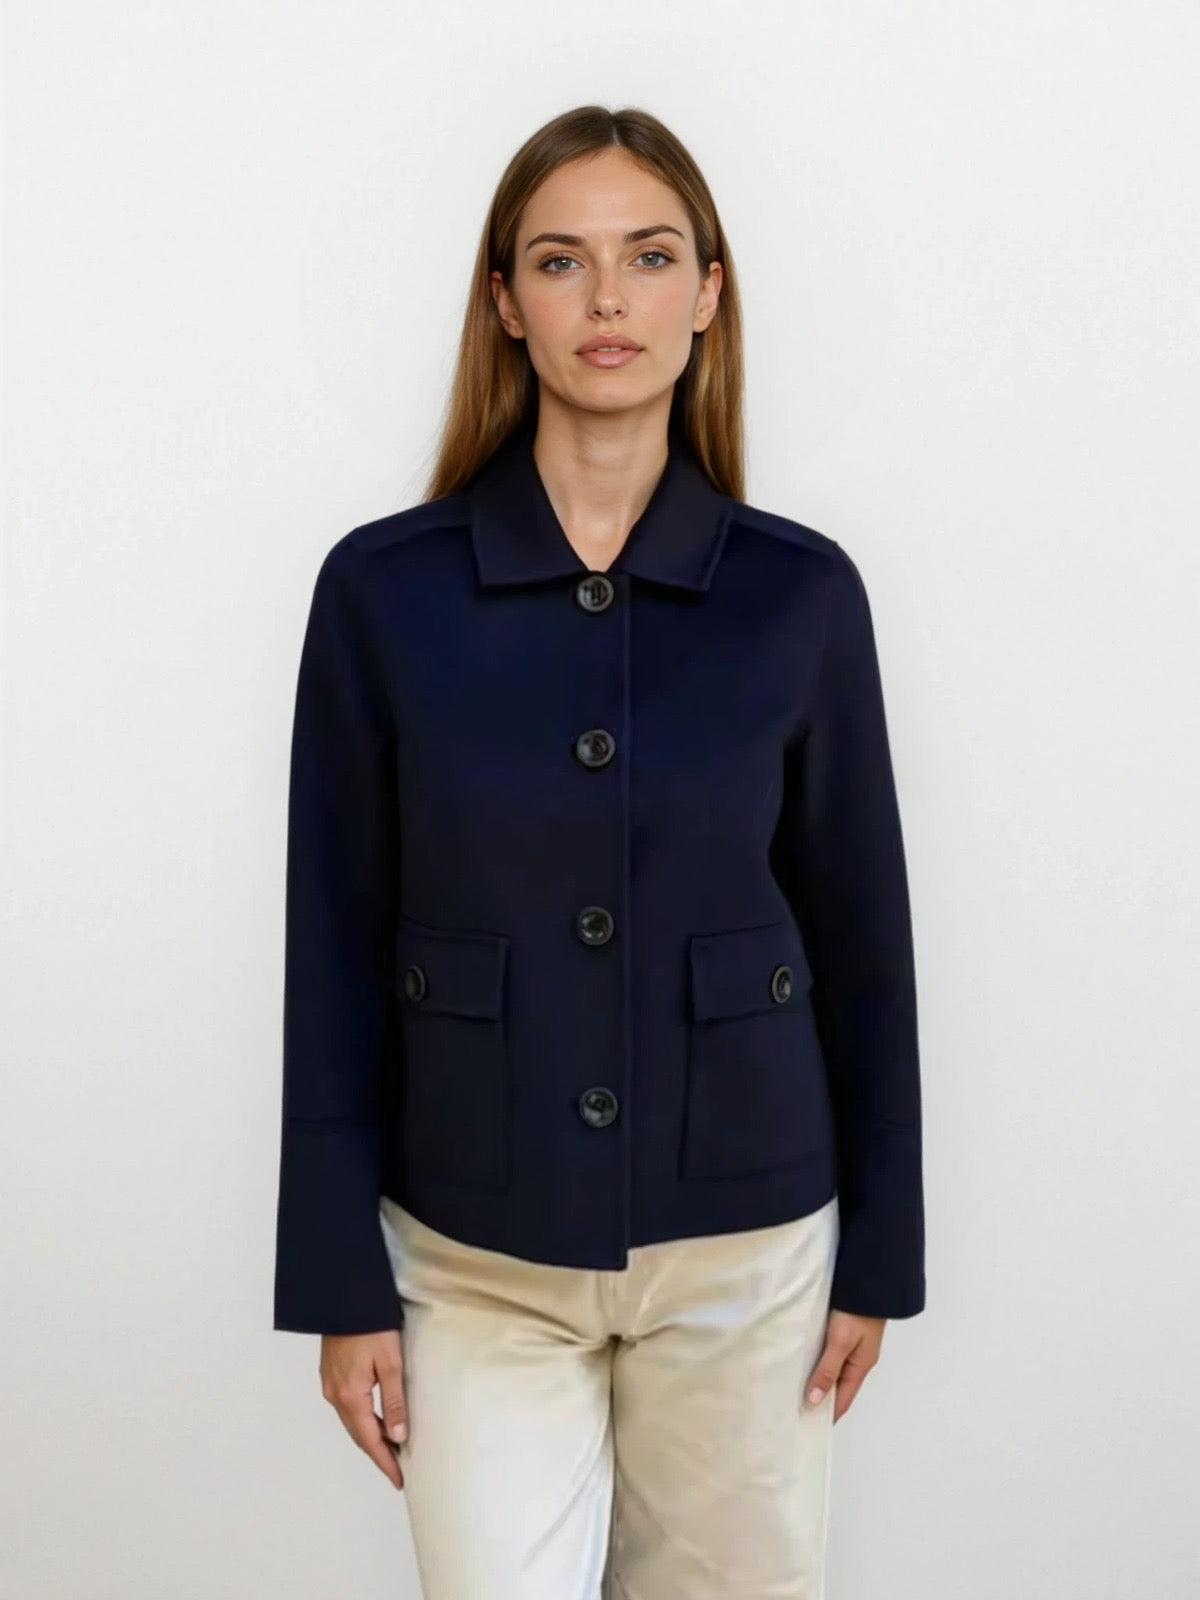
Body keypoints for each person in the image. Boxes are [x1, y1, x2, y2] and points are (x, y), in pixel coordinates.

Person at [273, 102, 926, 1599]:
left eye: (651, 256)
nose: (609, 298)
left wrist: (884, 1247)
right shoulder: (384, 594)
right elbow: (334, 941)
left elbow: (864, 937)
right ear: (508, 302)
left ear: (709, 294)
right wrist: (336, 1279)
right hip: (472, 1252)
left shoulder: (801, 597)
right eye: (562, 261)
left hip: (749, 1244)